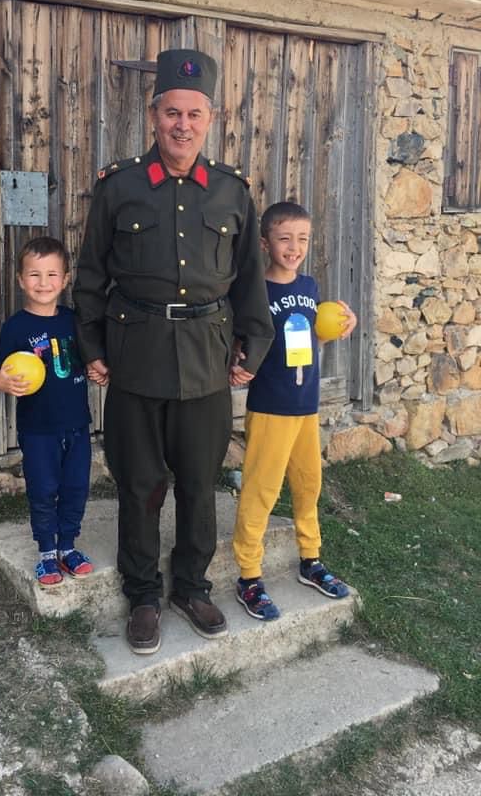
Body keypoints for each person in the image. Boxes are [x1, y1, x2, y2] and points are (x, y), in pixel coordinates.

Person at [73, 48, 274, 654]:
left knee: (198, 482)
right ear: (153, 114)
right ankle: (142, 595)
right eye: (171, 113)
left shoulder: (231, 192)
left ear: (210, 119)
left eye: (194, 114)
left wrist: (253, 347)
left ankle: (190, 586)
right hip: (135, 354)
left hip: (208, 356)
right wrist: (91, 345)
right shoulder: (120, 187)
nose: (182, 125)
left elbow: (250, 279)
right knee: (138, 484)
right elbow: (91, 275)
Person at [232, 201, 357, 621]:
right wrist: (236, 360)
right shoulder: (255, 291)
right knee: (261, 490)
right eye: (284, 238)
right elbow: (239, 343)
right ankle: (249, 576)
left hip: (306, 406)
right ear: (265, 243)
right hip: (270, 406)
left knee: (308, 485)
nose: (294, 247)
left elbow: (310, 341)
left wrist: (339, 326)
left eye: (302, 238)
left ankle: (310, 559)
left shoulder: (310, 286)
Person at [0, 236, 93, 587]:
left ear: (65, 280)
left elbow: (89, 359)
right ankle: (47, 551)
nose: (44, 283)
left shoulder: (73, 321)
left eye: (52, 275)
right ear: (21, 280)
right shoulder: (16, 327)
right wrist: (3, 382)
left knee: (76, 487)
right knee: (44, 489)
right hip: (38, 429)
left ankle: (68, 546)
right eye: (35, 275)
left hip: (77, 425)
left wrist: (97, 369)